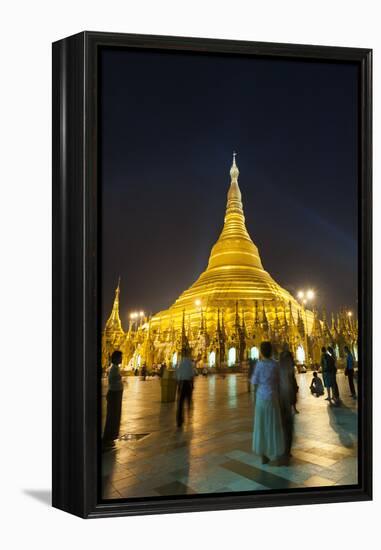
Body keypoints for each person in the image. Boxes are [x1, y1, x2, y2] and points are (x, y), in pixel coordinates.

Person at [252, 341, 285, 465]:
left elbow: (255, 383)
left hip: (261, 398)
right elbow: (279, 382)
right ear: (271, 351)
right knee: (273, 424)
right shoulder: (275, 365)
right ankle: (275, 453)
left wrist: (255, 399)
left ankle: (263, 455)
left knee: (261, 426)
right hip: (272, 398)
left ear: (261, 352)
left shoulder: (259, 365)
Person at [279, 344, 299, 458]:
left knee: (286, 425)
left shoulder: (280, 369)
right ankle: (286, 449)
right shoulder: (288, 372)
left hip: (283, 399)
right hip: (286, 399)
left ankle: (285, 449)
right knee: (287, 425)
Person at [103, 350, 124, 450]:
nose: (121, 359)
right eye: (120, 357)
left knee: (115, 416)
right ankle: (108, 438)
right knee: (112, 416)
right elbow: (111, 380)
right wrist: (119, 378)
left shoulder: (116, 368)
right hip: (114, 395)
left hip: (116, 394)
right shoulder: (114, 369)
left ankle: (110, 438)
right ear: (115, 358)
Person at [175, 346, 195, 427]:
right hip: (187, 384)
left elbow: (176, 374)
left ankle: (179, 419)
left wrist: (178, 384)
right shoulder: (189, 363)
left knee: (180, 402)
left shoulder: (179, 363)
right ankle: (188, 415)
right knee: (188, 401)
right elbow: (192, 375)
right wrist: (192, 384)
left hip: (181, 384)